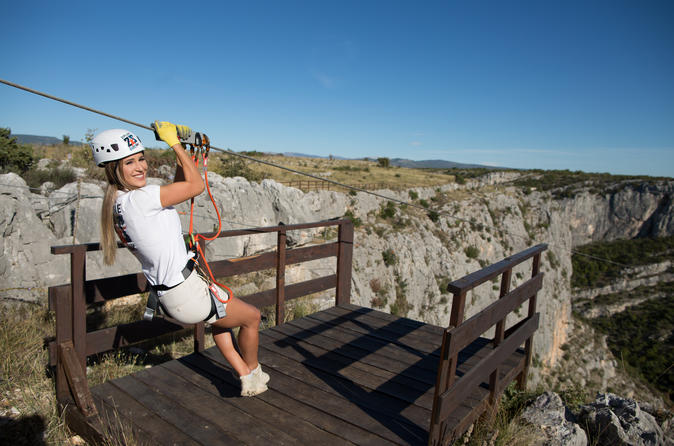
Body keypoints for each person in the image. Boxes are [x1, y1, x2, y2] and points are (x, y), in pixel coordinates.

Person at [92, 121, 269, 396]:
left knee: (220, 319)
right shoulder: (142, 198)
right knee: (252, 318)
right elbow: (195, 185)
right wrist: (173, 143)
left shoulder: (119, 203)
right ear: (114, 168)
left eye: (141, 159)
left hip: (171, 294)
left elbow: (180, 188)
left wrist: (182, 151)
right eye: (129, 163)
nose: (140, 167)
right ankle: (256, 370)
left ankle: (246, 376)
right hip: (186, 292)